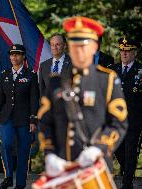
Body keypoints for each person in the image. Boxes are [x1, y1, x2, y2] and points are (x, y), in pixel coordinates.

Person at [37, 16, 128, 179]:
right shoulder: (57, 81)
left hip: (96, 167)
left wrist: (98, 148)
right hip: (63, 166)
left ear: (94, 48)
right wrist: (50, 153)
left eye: (83, 46)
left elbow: (119, 123)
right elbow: (45, 120)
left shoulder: (107, 80)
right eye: (74, 45)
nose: (78, 51)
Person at [0, 44, 39, 189]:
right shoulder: (5, 74)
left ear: (23, 56)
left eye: (17, 54)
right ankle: (8, 177)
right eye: (12, 54)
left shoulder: (30, 75)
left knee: (23, 149)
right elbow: (0, 98)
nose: (14, 57)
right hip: (7, 117)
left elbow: (34, 99)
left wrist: (33, 119)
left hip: (24, 119)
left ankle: (20, 182)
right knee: (6, 144)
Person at [110, 37, 142, 189]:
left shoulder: (140, 71)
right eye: (122, 50)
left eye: (128, 51)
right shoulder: (113, 70)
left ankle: (127, 183)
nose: (124, 53)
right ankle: (128, 173)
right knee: (116, 149)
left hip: (133, 120)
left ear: (134, 53)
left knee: (130, 152)